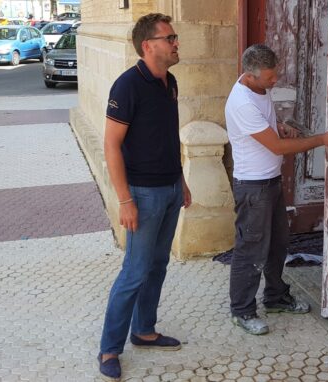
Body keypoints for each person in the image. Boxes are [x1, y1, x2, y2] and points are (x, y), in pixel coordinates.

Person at [225, 44, 328, 335]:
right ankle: (242, 311)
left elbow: (269, 132)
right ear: (250, 75)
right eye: (269, 77)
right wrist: (322, 139)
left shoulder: (257, 89)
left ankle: (276, 298)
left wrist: (277, 125)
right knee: (251, 250)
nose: (274, 81)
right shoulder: (241, 102)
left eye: (274, 74)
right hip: (253, 188)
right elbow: (278, 147)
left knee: (278, 244)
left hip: (270, 181)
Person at [97, 13, 191, 380]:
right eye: (170, 38)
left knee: (158, 265)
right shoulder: (127, 87)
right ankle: (109, 348)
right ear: (148, 45)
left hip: (169, 190)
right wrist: (124, 200)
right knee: (134, 272)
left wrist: (181, 180)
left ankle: (144, 330)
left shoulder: (171, 82)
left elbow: (168, 137)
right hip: (142, 194)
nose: (176, 43)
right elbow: (111, 145)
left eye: (175, 36)